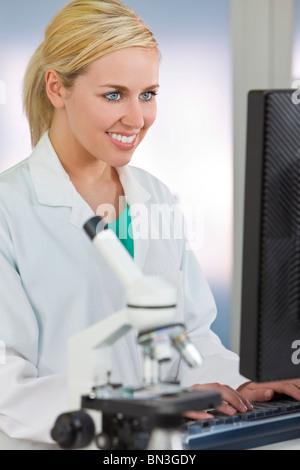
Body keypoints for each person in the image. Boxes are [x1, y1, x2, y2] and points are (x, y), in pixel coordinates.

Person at [0, 0, 300, 450]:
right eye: (113, 94)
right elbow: (8, 381)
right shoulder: (9, 208)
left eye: (148, 94)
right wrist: (137, 406)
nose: (137, 119)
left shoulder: (154, 196)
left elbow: (192, 332)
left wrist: (233, 388)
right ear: (57, 89)